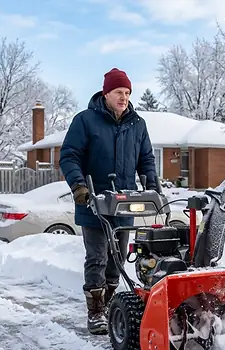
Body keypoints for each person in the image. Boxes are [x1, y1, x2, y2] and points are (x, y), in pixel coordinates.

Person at [59, 68, 158, 335]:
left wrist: (152, 183)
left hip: (125, 202)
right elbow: (69, 156)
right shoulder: (86, 121)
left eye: (127, 93)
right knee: (97, 257)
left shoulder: (138, 124)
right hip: (93, 202)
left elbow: (146, 159)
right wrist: (79, 186)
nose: (123, 97)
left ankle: (111, 301)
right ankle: (95, 312)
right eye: (118, 92)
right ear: (106, 93)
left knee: (118, 260)